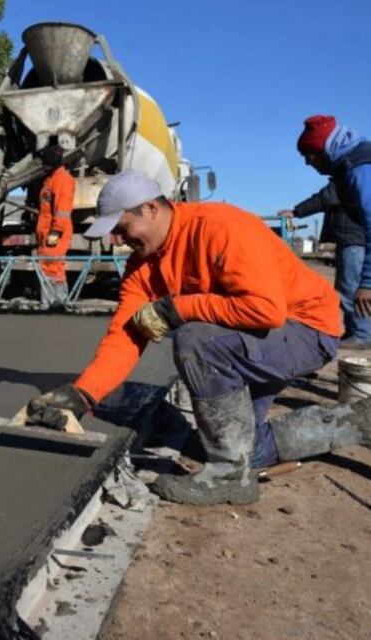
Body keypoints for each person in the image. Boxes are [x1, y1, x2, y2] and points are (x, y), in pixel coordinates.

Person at [22, 170, 371, 506]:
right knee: (246, 447)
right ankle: (358, 421)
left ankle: (227, 478)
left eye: (122, 228)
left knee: (196, 340)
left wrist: (179, 308)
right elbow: (126, 335)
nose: (117, 240)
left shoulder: (219, 228)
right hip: (255, 338)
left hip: (306, 328)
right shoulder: (142, 267)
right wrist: (84, 394)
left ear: (152, 208)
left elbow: (266, 310)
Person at [282, 115, 371, 348]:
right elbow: (328, 196)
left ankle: (362, 334)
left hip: (356, 238)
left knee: (351, 288)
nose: (308, 163)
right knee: (348, 287)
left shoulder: (358, 169)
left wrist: (368, 283)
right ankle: (359, 331)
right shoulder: (348, 165)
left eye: (308, 156)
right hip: (354, 236)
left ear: (321, 150)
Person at [35, 145, 75, 303]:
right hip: (46, 232)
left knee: (53, 267)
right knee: (48, 266)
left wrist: (56, 232)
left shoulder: (62, 180)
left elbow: (62, 209)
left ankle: (56, 302)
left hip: (55, 232)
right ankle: (51, 302)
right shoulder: (51, 179)